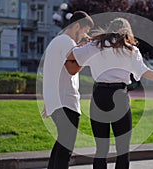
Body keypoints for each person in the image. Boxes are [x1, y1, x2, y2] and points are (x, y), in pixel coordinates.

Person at [66, 17, 153, 169]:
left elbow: (71, 56)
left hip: (99, 96)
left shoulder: (95, 45)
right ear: (127, 32)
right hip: (119, 96)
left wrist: (83, 46)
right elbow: (147, 73)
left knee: (101, 150)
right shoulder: (131, 50)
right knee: (123, 150)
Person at [42, 11, 94, 169]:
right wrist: (88, 53)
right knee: (65, 151)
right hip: (67, 103)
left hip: (57, 102)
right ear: (77, 26)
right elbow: (72, 69)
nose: (84, 35)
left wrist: (49, 101)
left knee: (60, 147)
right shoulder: (67, 42)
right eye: (84, 30)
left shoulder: (56, 42)